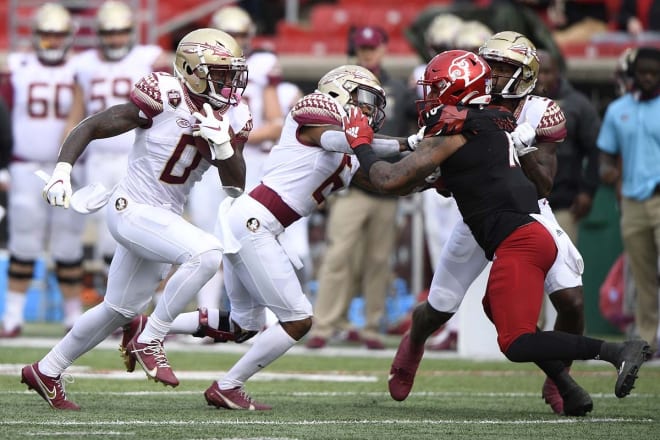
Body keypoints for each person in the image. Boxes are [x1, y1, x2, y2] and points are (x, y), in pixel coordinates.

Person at [344, 49, 652, 416]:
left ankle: (615, 352)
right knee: (496, 309)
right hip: (522, 233)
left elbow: (390, 179)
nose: (427, 95)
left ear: (456, 89)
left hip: (520, 238)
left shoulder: (458, 129)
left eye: (436, 87)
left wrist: (359, 143)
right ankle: (568, 384)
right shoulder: (490, 119)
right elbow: (449, 171)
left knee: (516, 342)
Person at [121, 64, 408, 410]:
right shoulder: (314, 112)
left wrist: (435, 170)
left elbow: (385, 177)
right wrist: (409, 141)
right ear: (339, 92)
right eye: (363, 99)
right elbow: (342, 140)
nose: (369, 109)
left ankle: (144, 326)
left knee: (244, 325)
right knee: (299, 320)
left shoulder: (348, 154)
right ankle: (229, 385)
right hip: (255, 223)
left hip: (254, 224)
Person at [20, 28, 251, 410]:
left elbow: (235, 185)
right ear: (191, 69)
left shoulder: (235, 113)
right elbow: (93, 125)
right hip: (132, 208)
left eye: (231, 73)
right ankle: (152, 337)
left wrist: (223, 145)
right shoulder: (165, 93)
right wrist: (63, 170)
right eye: (219, 72)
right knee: (208, 253)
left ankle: (46, 370)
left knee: (118, 309)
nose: (228, 82)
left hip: (164, 216)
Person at [306, 25, 413, 350]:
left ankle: (370, 326)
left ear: (383, 48)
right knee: (338, 254)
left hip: (384, 183)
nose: (368, 53)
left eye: (373, 47)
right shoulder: (341, 83)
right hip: (350, 182)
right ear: (356, 50)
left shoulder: (398, 88)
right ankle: (324, 325)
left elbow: (410, 128)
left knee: (379, 259)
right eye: (363, 48)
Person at [186, 5, 289, 311]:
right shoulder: (196, 64)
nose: (236, 40)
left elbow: (275, 124)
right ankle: (206, 312)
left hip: (247, 160)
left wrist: (231, 139)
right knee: (207, 240)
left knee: (252, 238)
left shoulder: (262, 65)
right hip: (207, 164)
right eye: (230, 34)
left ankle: (268, 316)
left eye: (241, 35)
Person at [65, 0, 171, 278]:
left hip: (138, 156)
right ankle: (120, 302)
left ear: (132, 31)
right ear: (99, 33)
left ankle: (152, 304)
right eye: (109, 32)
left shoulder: (149, 58)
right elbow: (75, 116)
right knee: (106, 231)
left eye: (121, 30)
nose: (115, 38)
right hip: (99, 157)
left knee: (147, 227)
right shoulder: (84, 64)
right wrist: (65, 163)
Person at [0, 3, 86, 337]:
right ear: (35, 36)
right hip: (26, 165)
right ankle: (13, 318)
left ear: (69, 37)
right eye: (46, 36)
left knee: (68, 244)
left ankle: (73, 318)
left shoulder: (81, 68)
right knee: (24, 242)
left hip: (68, 166)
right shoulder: (18, 68)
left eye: (57, 36)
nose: (51, 42)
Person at [598, 47, 660, 357]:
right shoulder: (617, 109)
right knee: (643, 273)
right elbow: (606, 154)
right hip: (633, 201)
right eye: (643, 72)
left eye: (654, 73)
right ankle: (649, 339)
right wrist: (607, 171)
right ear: (633, 75)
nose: (648, 78)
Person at [532, 50, 600, 244]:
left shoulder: (577, 104)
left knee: (563, 264)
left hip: (563, 201)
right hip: (524, 202)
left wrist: (588, 191)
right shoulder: (519, 102)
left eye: (547, 72)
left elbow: (596, 148)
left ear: (557, 72)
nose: (541, 78)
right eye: (537, 72)